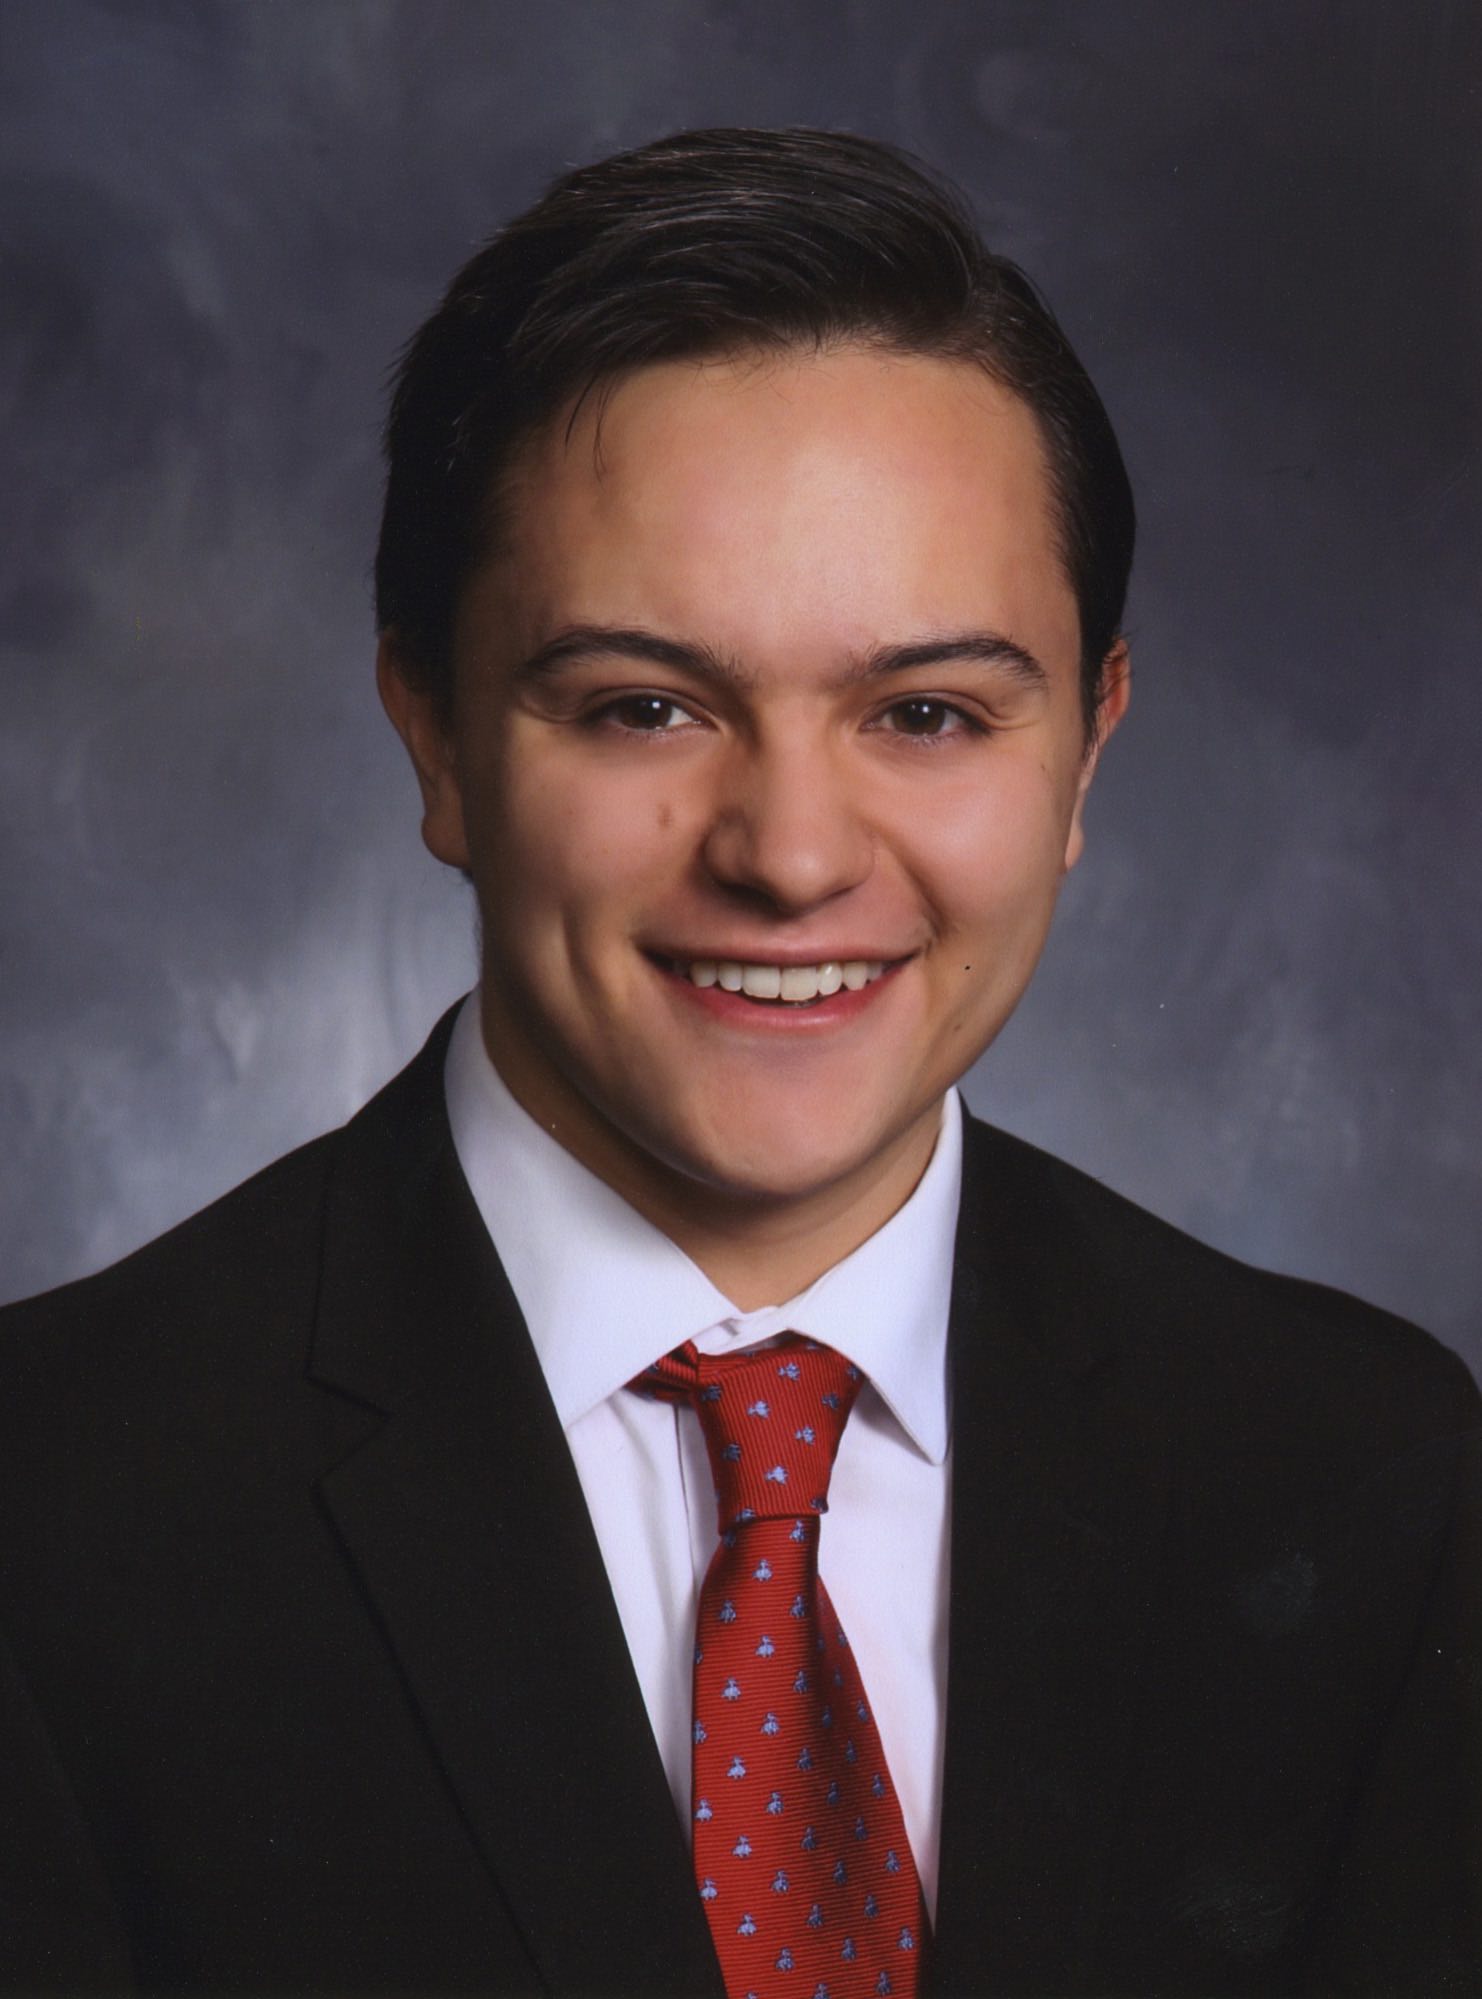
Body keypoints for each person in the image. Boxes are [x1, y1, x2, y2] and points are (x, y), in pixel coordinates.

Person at [0, 127, 1477, 1999]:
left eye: (924, 713)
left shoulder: (1366, 1471)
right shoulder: (54, 1512)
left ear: (1085, 752)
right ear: (434, 736)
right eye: (646, 707)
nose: (789, 856)